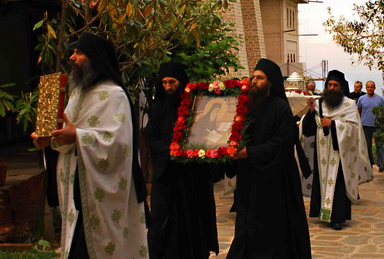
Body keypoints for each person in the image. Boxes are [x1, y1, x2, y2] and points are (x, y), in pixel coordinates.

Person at [32, 32, 148, 259]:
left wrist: (77, 136)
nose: (72, 57)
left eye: (78, 52)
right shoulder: (77, 93)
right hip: (76, 184)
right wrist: (49, 139)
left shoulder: (114, 95)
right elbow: (66, 132)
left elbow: (117, 144)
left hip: (100, 192)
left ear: (94, 57)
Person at [227, 58, 311, 259]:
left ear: (270, 82)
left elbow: (281, 144)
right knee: (248, 227)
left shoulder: (281, 108)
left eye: (260, 78)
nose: (254, 81)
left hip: (275, 180)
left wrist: (249, 153)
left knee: (272, 231)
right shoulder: (247, 107)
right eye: (253, 77)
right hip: (250, 178)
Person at [146, 62, 218, 258]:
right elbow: (152, 137)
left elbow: (204, 134)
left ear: (181, 82)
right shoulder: (157, 109)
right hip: (167, 174)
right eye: (164, 82)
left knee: (192, 217)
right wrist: (170, 151)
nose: (168, 87)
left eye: (172, 82)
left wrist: (189, 151)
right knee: (163, 219)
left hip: (190, 175)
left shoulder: (195, 107)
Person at [302, 70, 372, 230]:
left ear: (341, 87)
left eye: (335, 85)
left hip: (340, 152)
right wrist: (311, 110)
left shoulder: (349, 105)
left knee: (338, 184)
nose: (332, 88)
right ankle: (322, 212)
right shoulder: (319, 103)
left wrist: (333, 124)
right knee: (321, 181)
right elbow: (309, 129)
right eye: (329, 85)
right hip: (322, 150)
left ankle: (337, 218)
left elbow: (354, 129)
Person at [357, 81, 384, 172]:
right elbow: (359, 111)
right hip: (365, 125)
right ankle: (370, 163)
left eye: (372, 87)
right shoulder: (361, 99)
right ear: (366, 88)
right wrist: (359, 122)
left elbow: (383, 112)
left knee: (379, 145)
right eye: (368, 87)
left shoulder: (380, 99)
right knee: (367, 146)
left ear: (374, 88)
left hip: (378, 125)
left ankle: (381, 164)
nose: (370, 89)